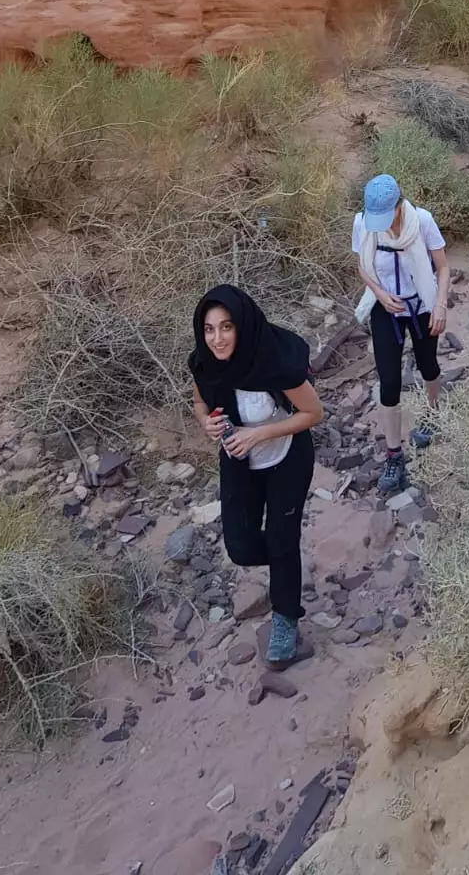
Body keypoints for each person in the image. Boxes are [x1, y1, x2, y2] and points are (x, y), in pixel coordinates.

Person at [189, 284, 324, 668]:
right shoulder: (205, 363)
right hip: (238, 459)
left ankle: (285, 618)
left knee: (282, 540)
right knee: (241, 547)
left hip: (287, 456)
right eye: (210, 329)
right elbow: (200, 402)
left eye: (226, 327)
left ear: (242, 326)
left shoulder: (274, 361)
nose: (217, 338)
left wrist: (258, 433)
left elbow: (313, 414)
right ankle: (287, 561)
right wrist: (206, 424)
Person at [354, 174, 450, 496]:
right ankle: (394, 453)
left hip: (421, 303)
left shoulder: (421, 221)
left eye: (385, 215)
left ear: (398, 206)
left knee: (428, 366)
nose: (378, 223)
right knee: (390, 381)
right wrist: (380, 294)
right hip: (387, 308)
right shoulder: (364, 224)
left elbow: (443, 267)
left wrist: (440, 305)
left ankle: (433, 413)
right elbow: (362, 267)